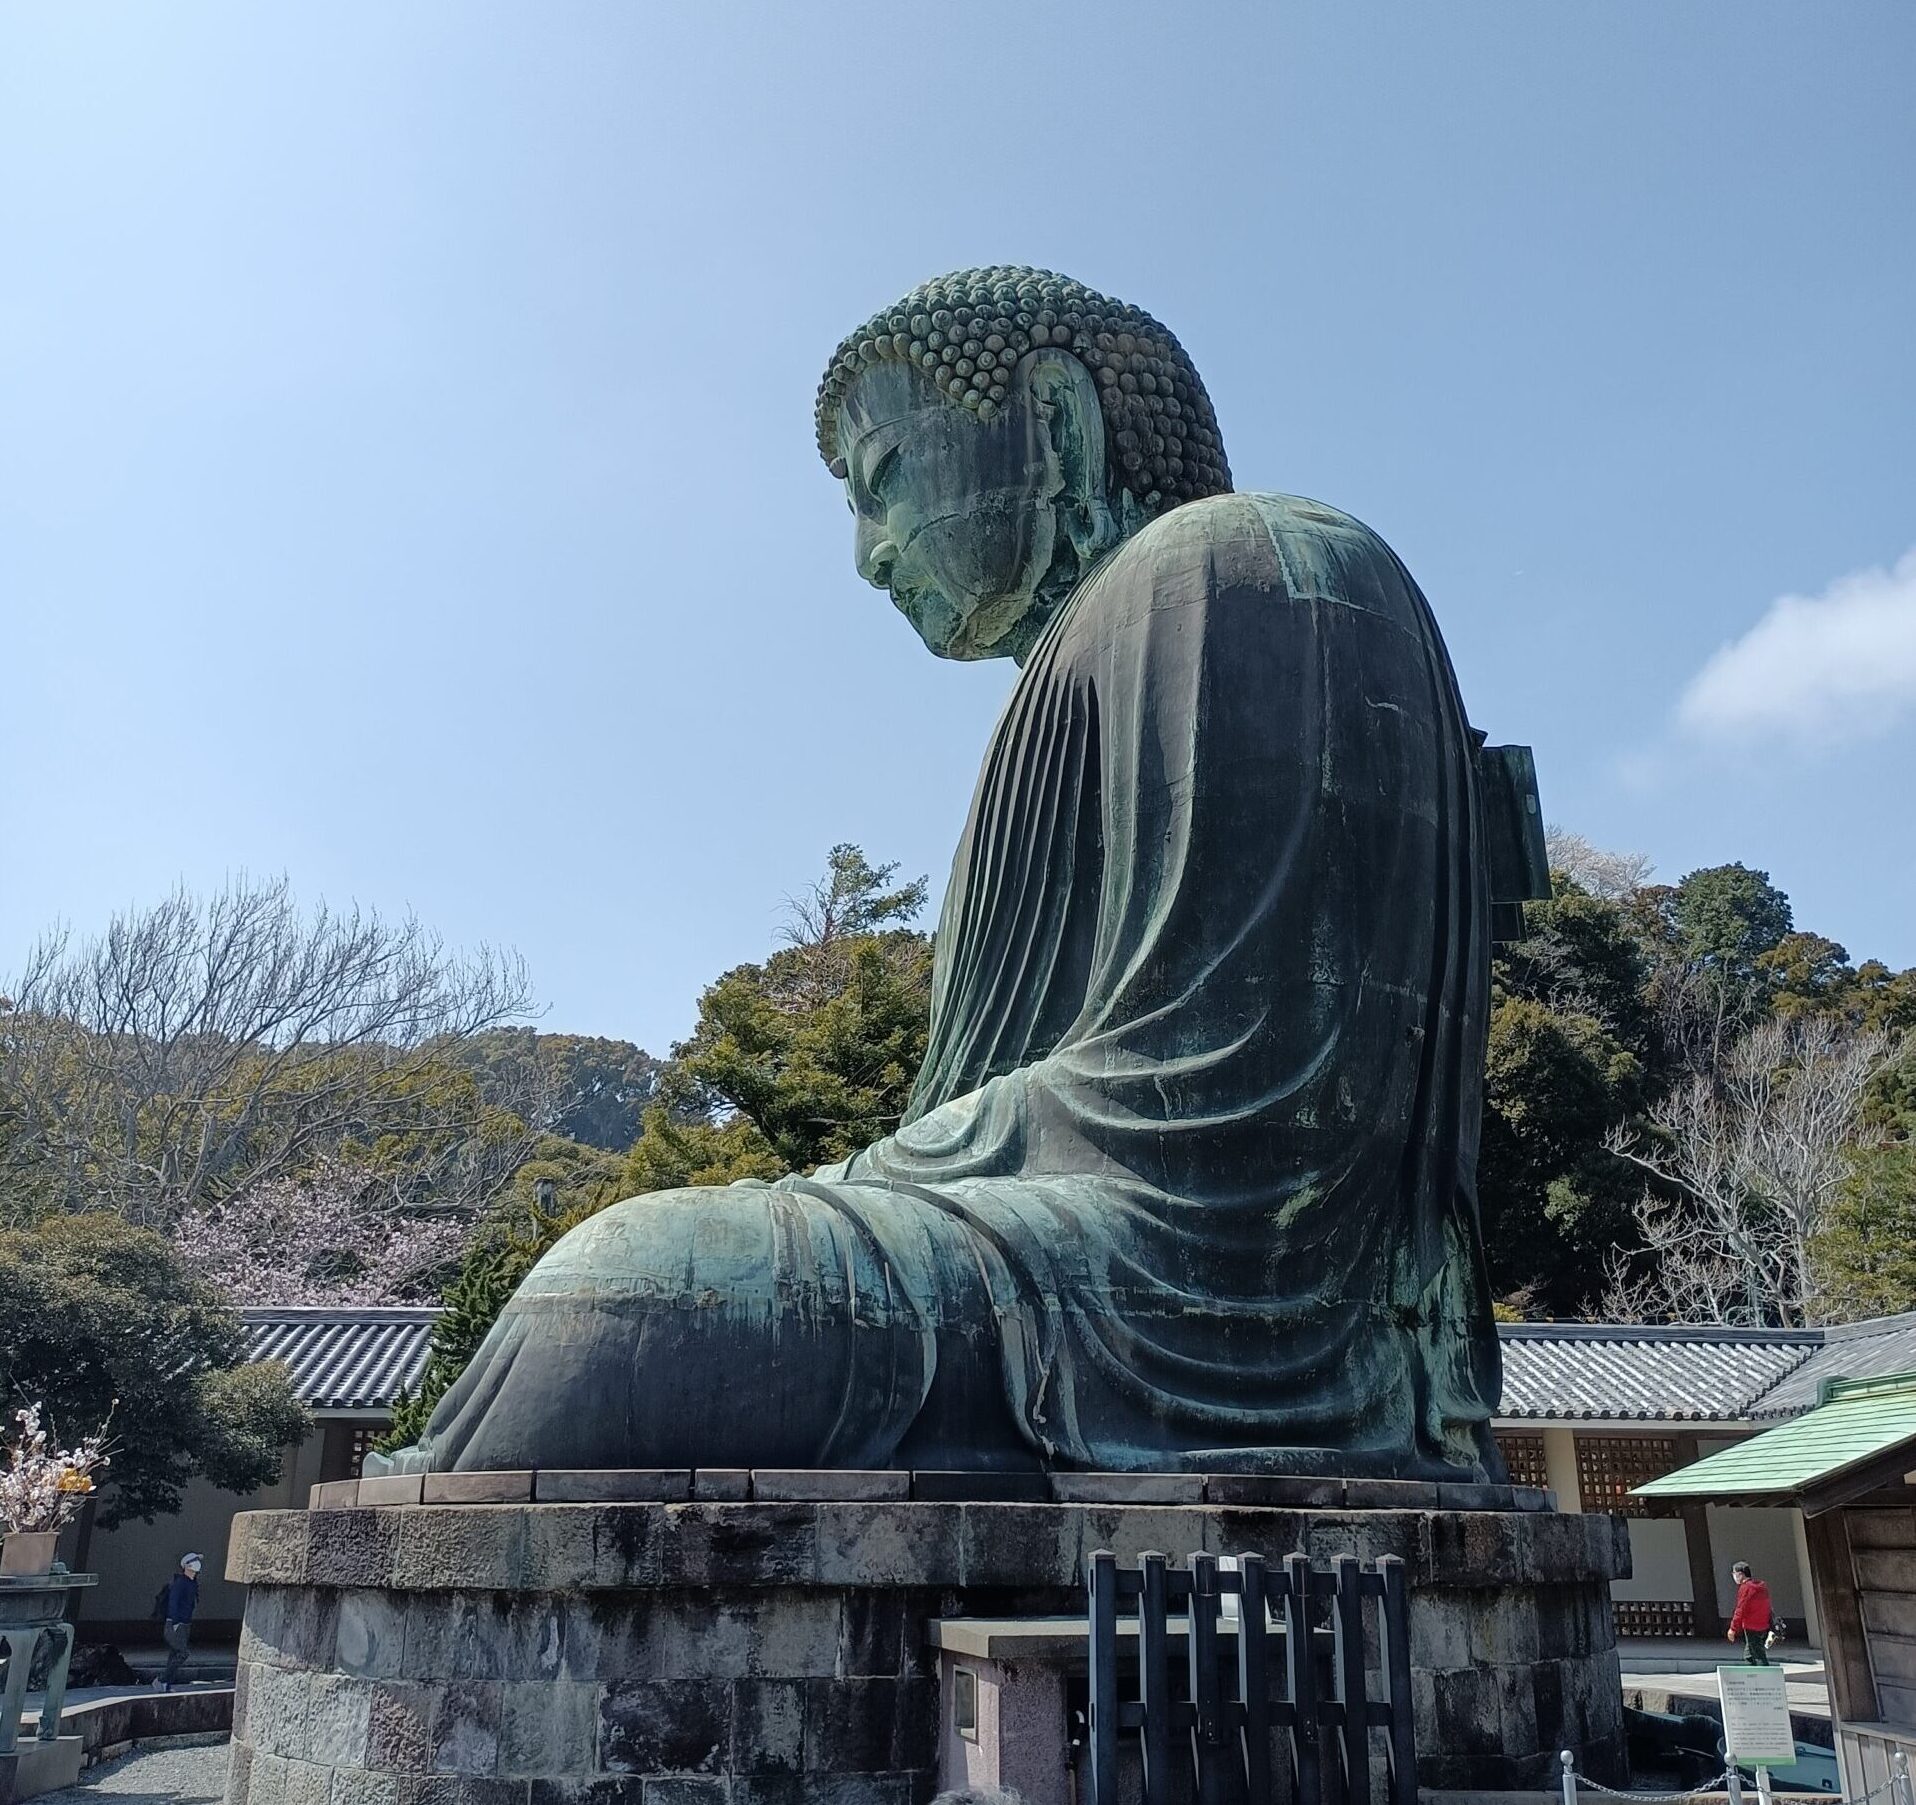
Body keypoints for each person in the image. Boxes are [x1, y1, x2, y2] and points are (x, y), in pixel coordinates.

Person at [374, 265, 1547, 1481]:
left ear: (1054, 420)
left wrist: (876, 1185)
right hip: (1048, 1240)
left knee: (618, 1300)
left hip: (1196, 1286)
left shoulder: (1242, 563)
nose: (868, 555)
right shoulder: (1085, 655)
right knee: (626, 1294)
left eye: (884, 480)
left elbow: (1216, 1114)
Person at [157, 1552, 201, 1691]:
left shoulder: (192, 1583)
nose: (197, 1564)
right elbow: (173, 1603)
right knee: (182, 1653)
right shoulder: (180, 1582)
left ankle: (165, 1685)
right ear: (187, 1565)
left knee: (174, 1654)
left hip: (185, 1623)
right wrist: (175, 1621)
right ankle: (161, 1680)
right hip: (176, 1623)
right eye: (194, 1561)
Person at [1727, 1561, 1773, 1663]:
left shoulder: (1746, 1588)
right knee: (1750, 1654)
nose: (1734, 1576)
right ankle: (1754, 1675)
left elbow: (1740, 1609)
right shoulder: (1761, 1587)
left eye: (1734, 1574)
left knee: (1756, 1655)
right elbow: (1768, 1606)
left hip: (1751, 1626)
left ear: (1741, 1574)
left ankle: (1764, 1676)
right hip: (1763, 1625)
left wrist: (1733, 1628)